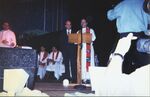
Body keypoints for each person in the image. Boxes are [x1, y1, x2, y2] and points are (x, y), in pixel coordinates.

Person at [107, 0, 149, 74]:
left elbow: (110, 16)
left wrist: (110, 10)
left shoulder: (123, 4)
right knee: (143, 68)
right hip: (142, 39)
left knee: (116, 62)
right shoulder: (145, 4)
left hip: (125, 37)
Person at [77, 18, 96, 83]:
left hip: (89, 49)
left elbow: (93, 38)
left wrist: (86, 37)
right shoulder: (79, 31)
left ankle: (89, 78)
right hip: (81, 50)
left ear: (86, 23)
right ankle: (83, 78)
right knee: (82, 63)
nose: (82, 23)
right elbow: (75, 41)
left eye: (84, 22)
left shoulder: (91, 30)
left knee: (89, 63)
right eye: (81, 22)